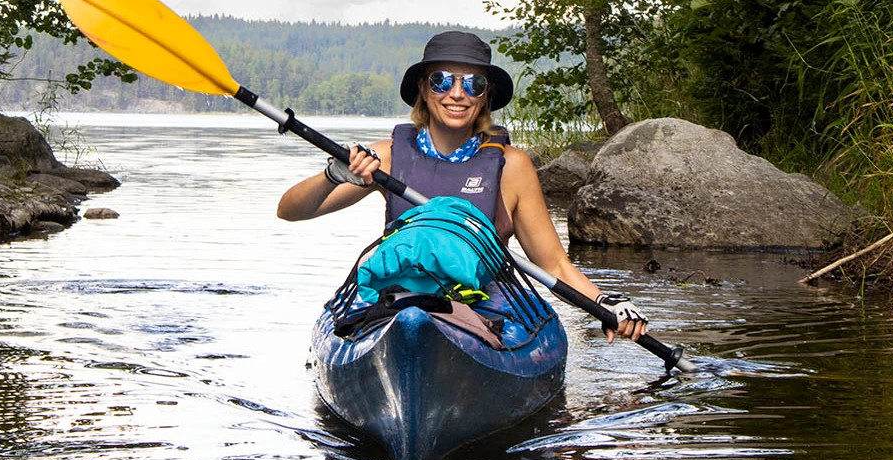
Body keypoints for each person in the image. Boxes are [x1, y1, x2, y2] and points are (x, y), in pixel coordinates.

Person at [277, 30, 647, 342]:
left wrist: (606, 303)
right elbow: (290, 211)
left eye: (473, 83)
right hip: (401, 296)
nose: (457, 93)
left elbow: (554, 266)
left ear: (486, 95)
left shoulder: (511, 167)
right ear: (423, 88)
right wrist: (332, 176)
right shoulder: (385, 158)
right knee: (410, 319)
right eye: (442, 80)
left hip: (484, 301)